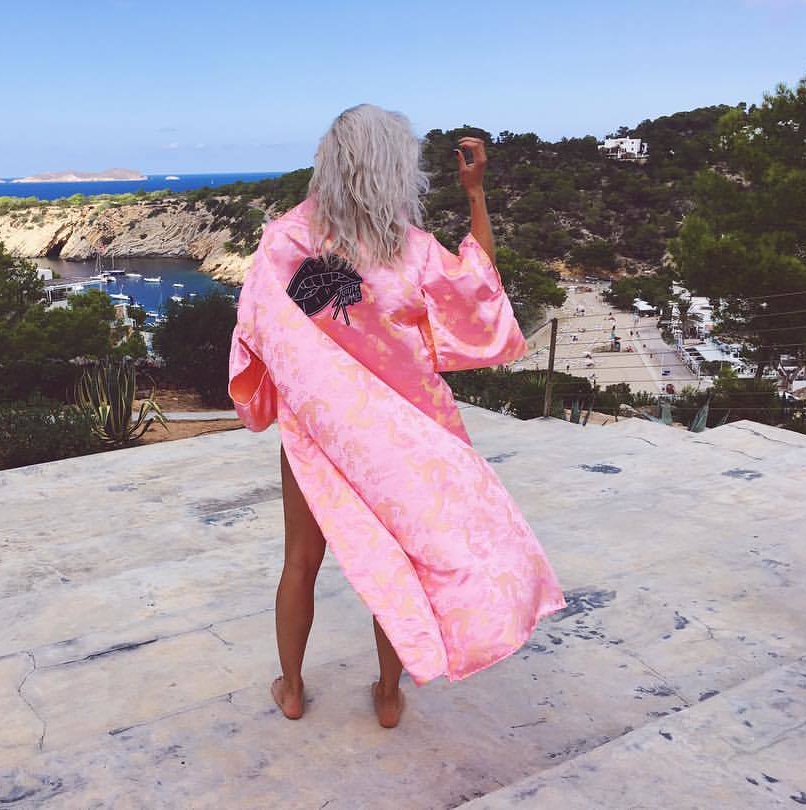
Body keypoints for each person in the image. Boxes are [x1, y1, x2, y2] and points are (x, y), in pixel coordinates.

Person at [227, 104, 566, 729]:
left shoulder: (287, 240)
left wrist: (277, 396)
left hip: (319, 432)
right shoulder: (413, 251)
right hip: (408, 434)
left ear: (329, 162)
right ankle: (387, 694)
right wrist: (476, 194)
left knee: (300, 561)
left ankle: (293, 689)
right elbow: (480, 293)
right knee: (404, 560)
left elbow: (256, 332)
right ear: (398, 168)